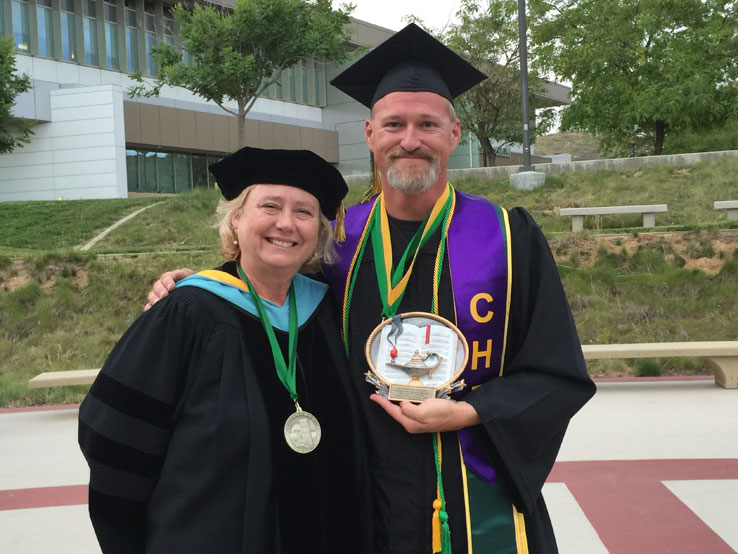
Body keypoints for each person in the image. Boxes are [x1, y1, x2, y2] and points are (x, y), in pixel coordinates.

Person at [147, 24, 596, 554]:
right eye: (395, 124)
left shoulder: (507, 237)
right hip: (357, 479)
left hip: (468, 474)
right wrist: (202, 282)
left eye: (427, 124)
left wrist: (468, 411)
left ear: (454, 134)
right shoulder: (336, 240)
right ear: (370, 134)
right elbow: (267, 289)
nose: (410, 140)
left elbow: (556, 371)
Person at [79, 147, 370, 554]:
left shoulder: (332, 311)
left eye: (304, 212)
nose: (286, 223)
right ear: (236, 219)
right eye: (270, 206)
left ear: (320, 233)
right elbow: (114, 435)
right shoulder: (188, 313)